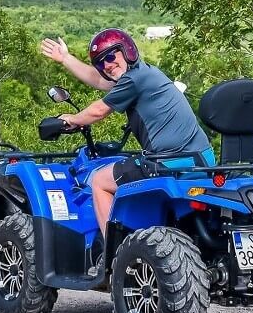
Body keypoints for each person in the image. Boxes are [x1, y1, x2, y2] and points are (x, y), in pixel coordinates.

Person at [39, 28, 213, 243]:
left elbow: (98, 111)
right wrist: (66, 58)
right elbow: (102, 81)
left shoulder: (134, 79)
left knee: (100, 181)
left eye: (111, 57)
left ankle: (113, 257)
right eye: (101, 63)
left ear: (127, 51)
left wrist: (71, 120)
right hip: (201, 160)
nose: (107, 65)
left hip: (169, 162)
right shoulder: (146, 73)